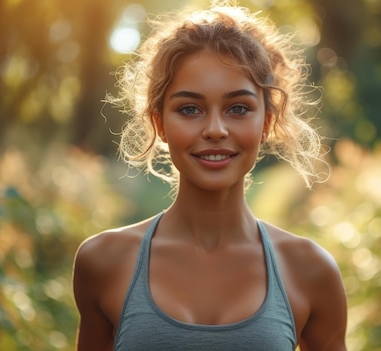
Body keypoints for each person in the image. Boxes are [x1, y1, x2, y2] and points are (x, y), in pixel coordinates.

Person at [72, 2, 347, 350]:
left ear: (265, 123)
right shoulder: (103, 261)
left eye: (238, 108)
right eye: (190, 109)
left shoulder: (310, 270)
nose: (215, 130)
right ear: (160, 125)